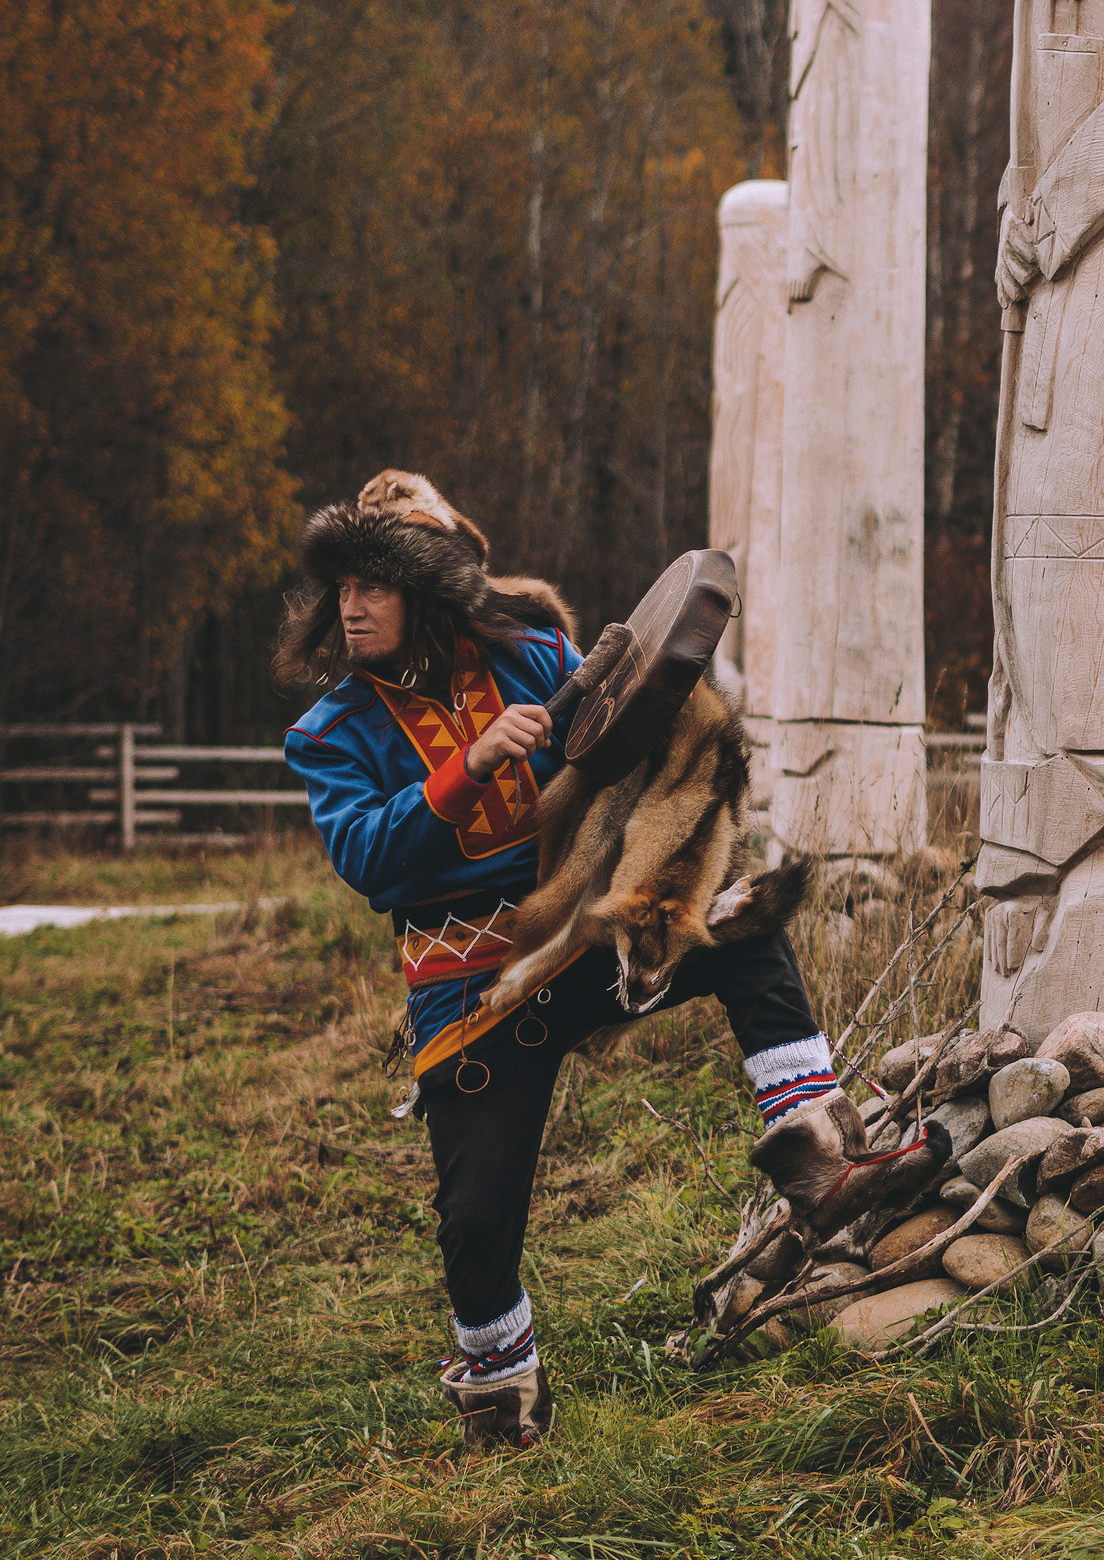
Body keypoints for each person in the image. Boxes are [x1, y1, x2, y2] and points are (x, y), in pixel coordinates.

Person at [278, 485, 861, 1453]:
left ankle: (821, 1154)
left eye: (375, 583)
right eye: (341, 585)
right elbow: (369, 860)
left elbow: (630, 734)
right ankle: (503, 1400)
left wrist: (636, 708)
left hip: (584, 943)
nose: (351, 605)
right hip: (469, 997)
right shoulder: (332, 731)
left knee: (747, 924)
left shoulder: (531, 657)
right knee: (474, 1230)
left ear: (425, 588)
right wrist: (466, 767)